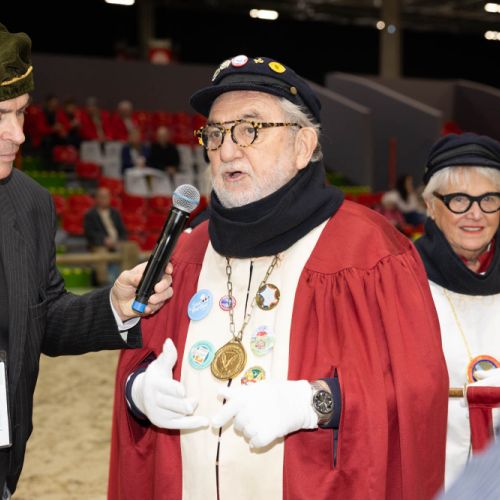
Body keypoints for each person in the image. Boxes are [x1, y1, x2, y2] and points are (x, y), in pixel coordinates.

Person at [108, 55, 448, 500]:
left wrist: (315, 403)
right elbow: (143, 358)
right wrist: (137, 391)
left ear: (303, 145)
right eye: (215, 133)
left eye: (250, 129)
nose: (227, 150)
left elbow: (418, 386)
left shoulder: (371, 254)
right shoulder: (187, 252)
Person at [0, 23, 173, 496]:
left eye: (22, 113)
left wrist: (115, 306)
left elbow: (46, 319)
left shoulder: (30, 204)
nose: (18, 134)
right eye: (1, 115)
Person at [414, 132, 500, 489]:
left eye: (489, 199)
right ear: (431, 206)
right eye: (459, 200)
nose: (475, 214)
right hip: (428, 468)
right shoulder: (399, 279)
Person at [84, 186, 128, 283]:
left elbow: (123, 231)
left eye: (106, 197)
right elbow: (90, 233)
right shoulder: (90, 214)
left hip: (117, 243)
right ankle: (104, 283)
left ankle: (127, 281)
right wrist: (104, 240)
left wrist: (120, 241)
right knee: (101, 252)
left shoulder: (115, 213)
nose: (104, 199)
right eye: (101, 197)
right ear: (96, 199)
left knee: (130, 249)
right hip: (100, 244)